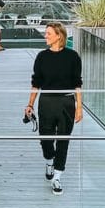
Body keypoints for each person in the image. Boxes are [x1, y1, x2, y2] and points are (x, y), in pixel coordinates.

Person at [24, 22, 82, 195]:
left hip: (67, 103)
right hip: (47, 102)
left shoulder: (73, 57)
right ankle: (49, 160)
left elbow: (77, 84)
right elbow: (36, 83)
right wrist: (30, 105)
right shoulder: (42, 57)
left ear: (59, 36)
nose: (45, 36)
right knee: (46, 138)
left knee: (63, 140)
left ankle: (57, 177)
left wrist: (79, 107)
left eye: (48, 33)